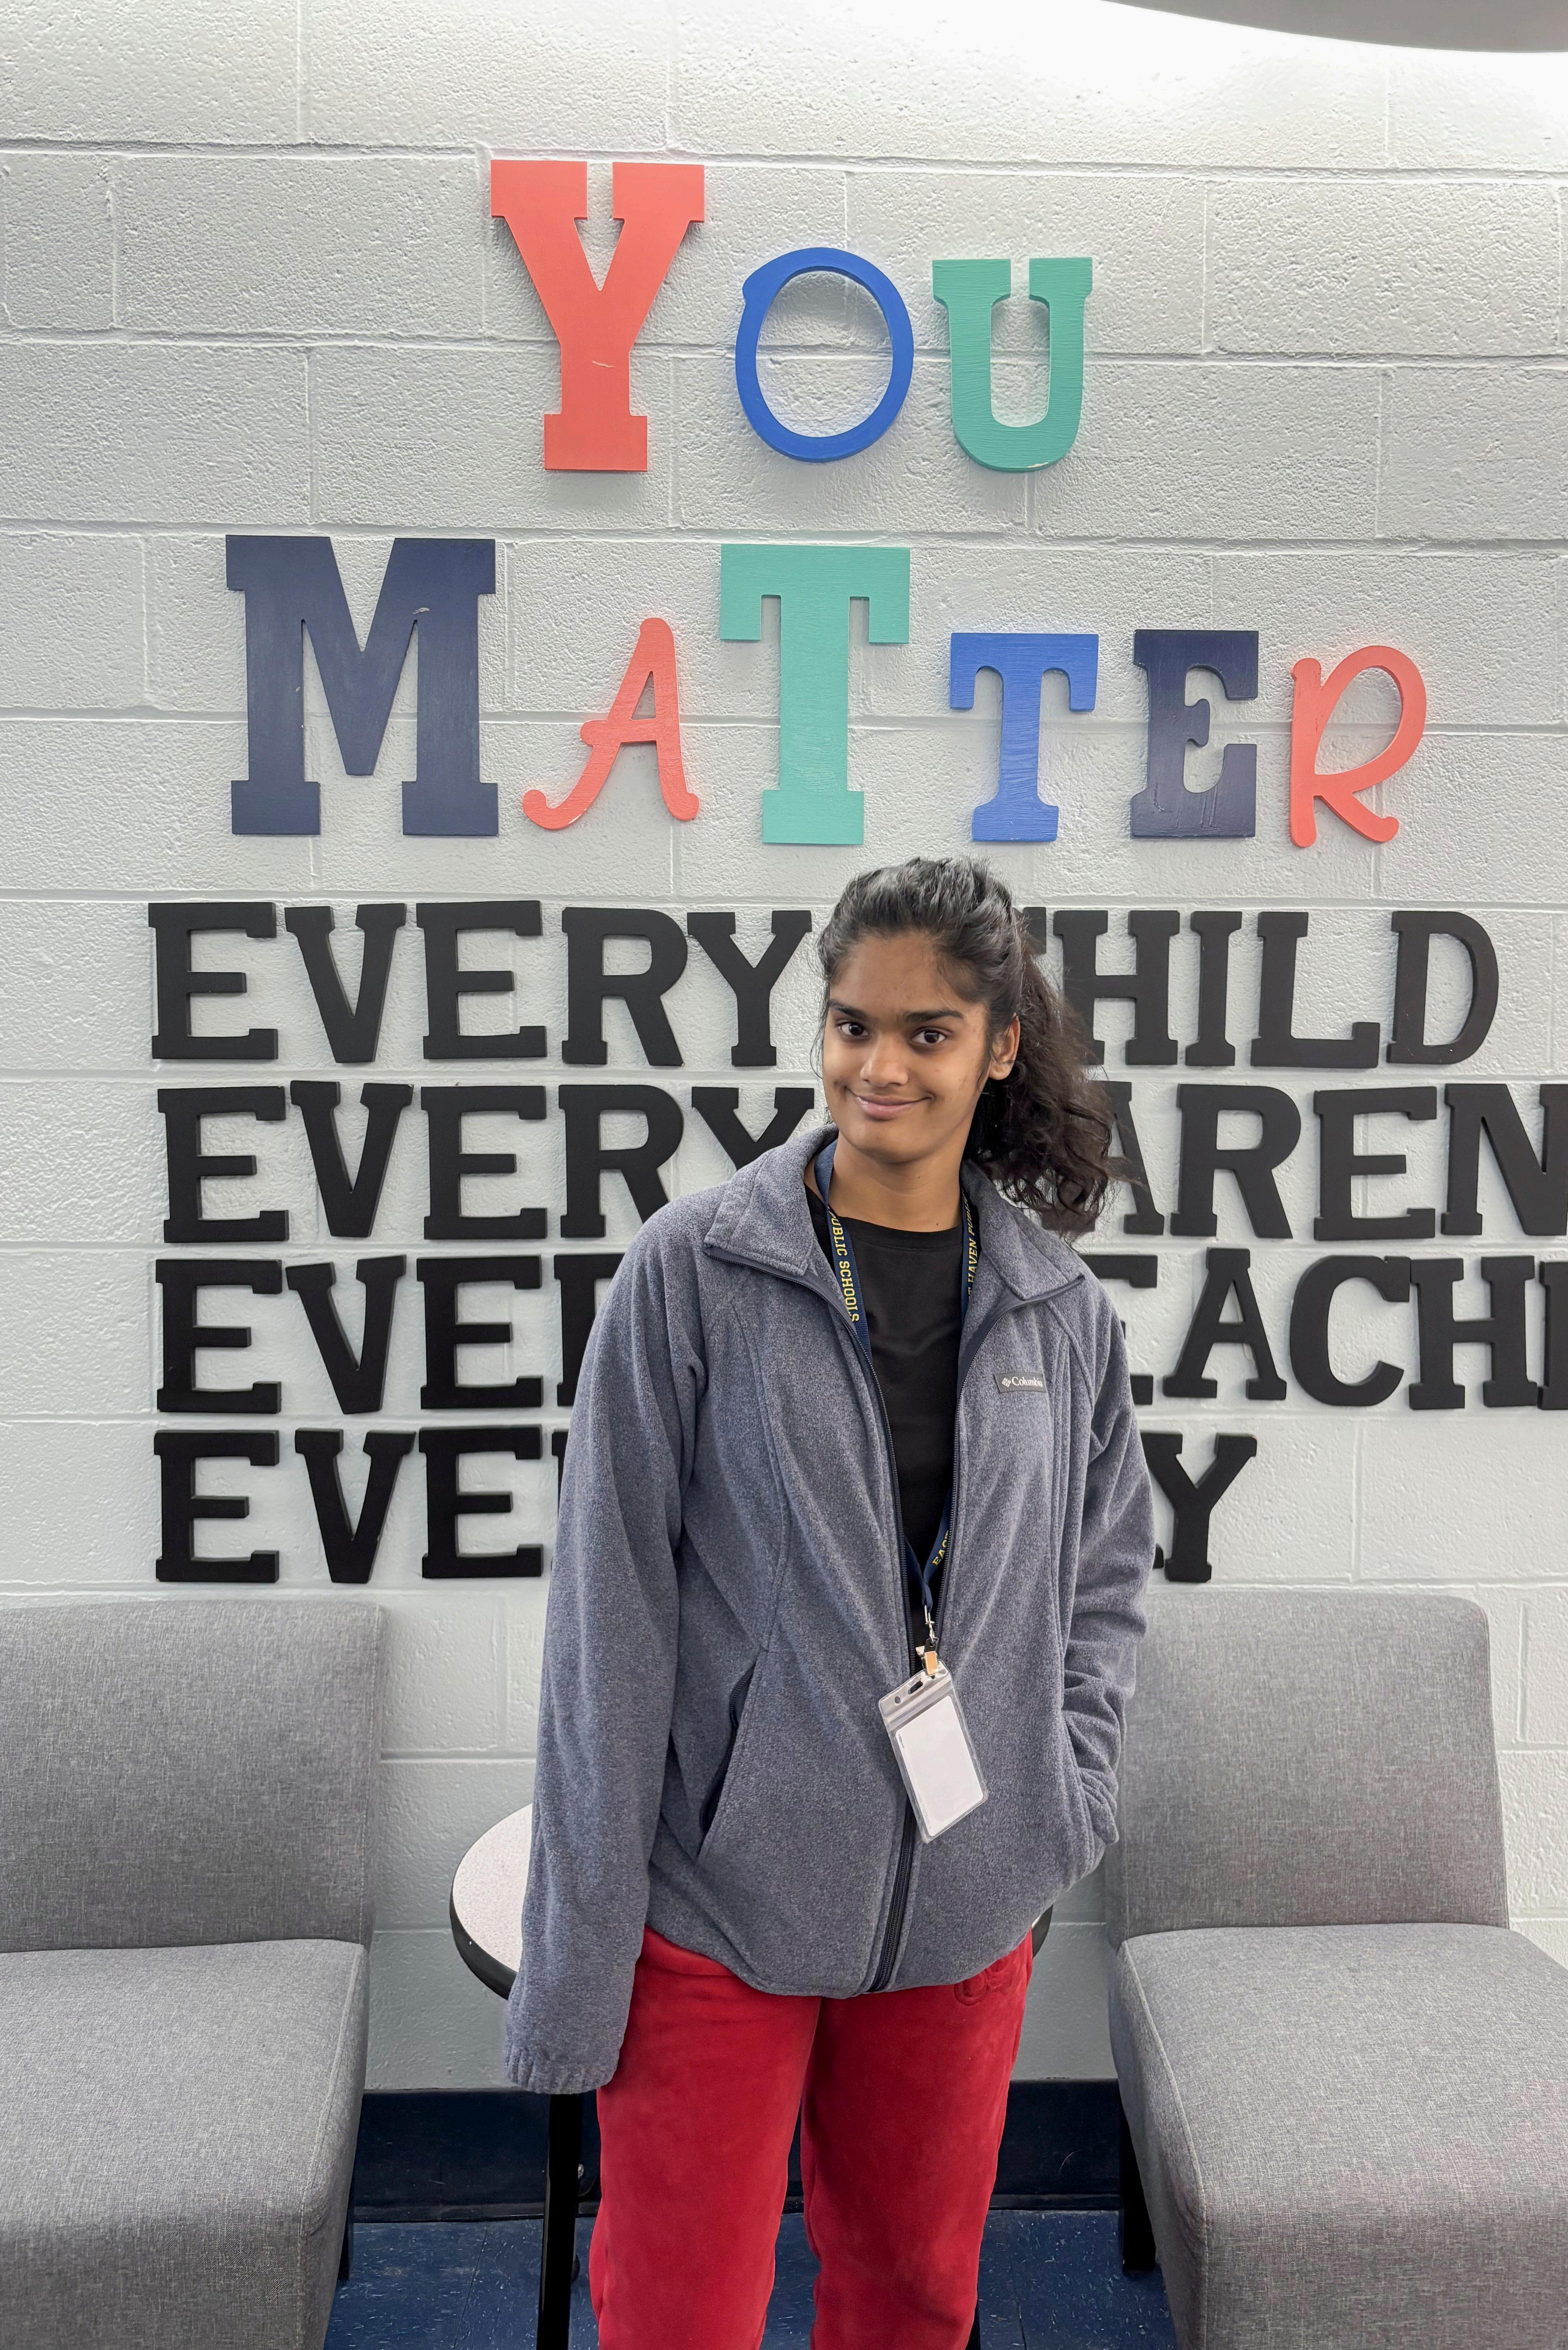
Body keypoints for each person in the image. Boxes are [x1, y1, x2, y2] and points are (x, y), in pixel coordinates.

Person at [506, 856, 1155, 2349]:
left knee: (913, 2303)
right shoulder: (694, 1273)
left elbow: (1107, 1573)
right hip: (717, 1912)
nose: (880, 1068)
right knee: (677, 2315)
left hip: (964, 1912)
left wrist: (1063, 1797)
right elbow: (608, 1622)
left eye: (927, 1033)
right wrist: (583, 1949)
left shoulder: (1057, 1310)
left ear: (998, 1047)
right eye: (852, 1025)